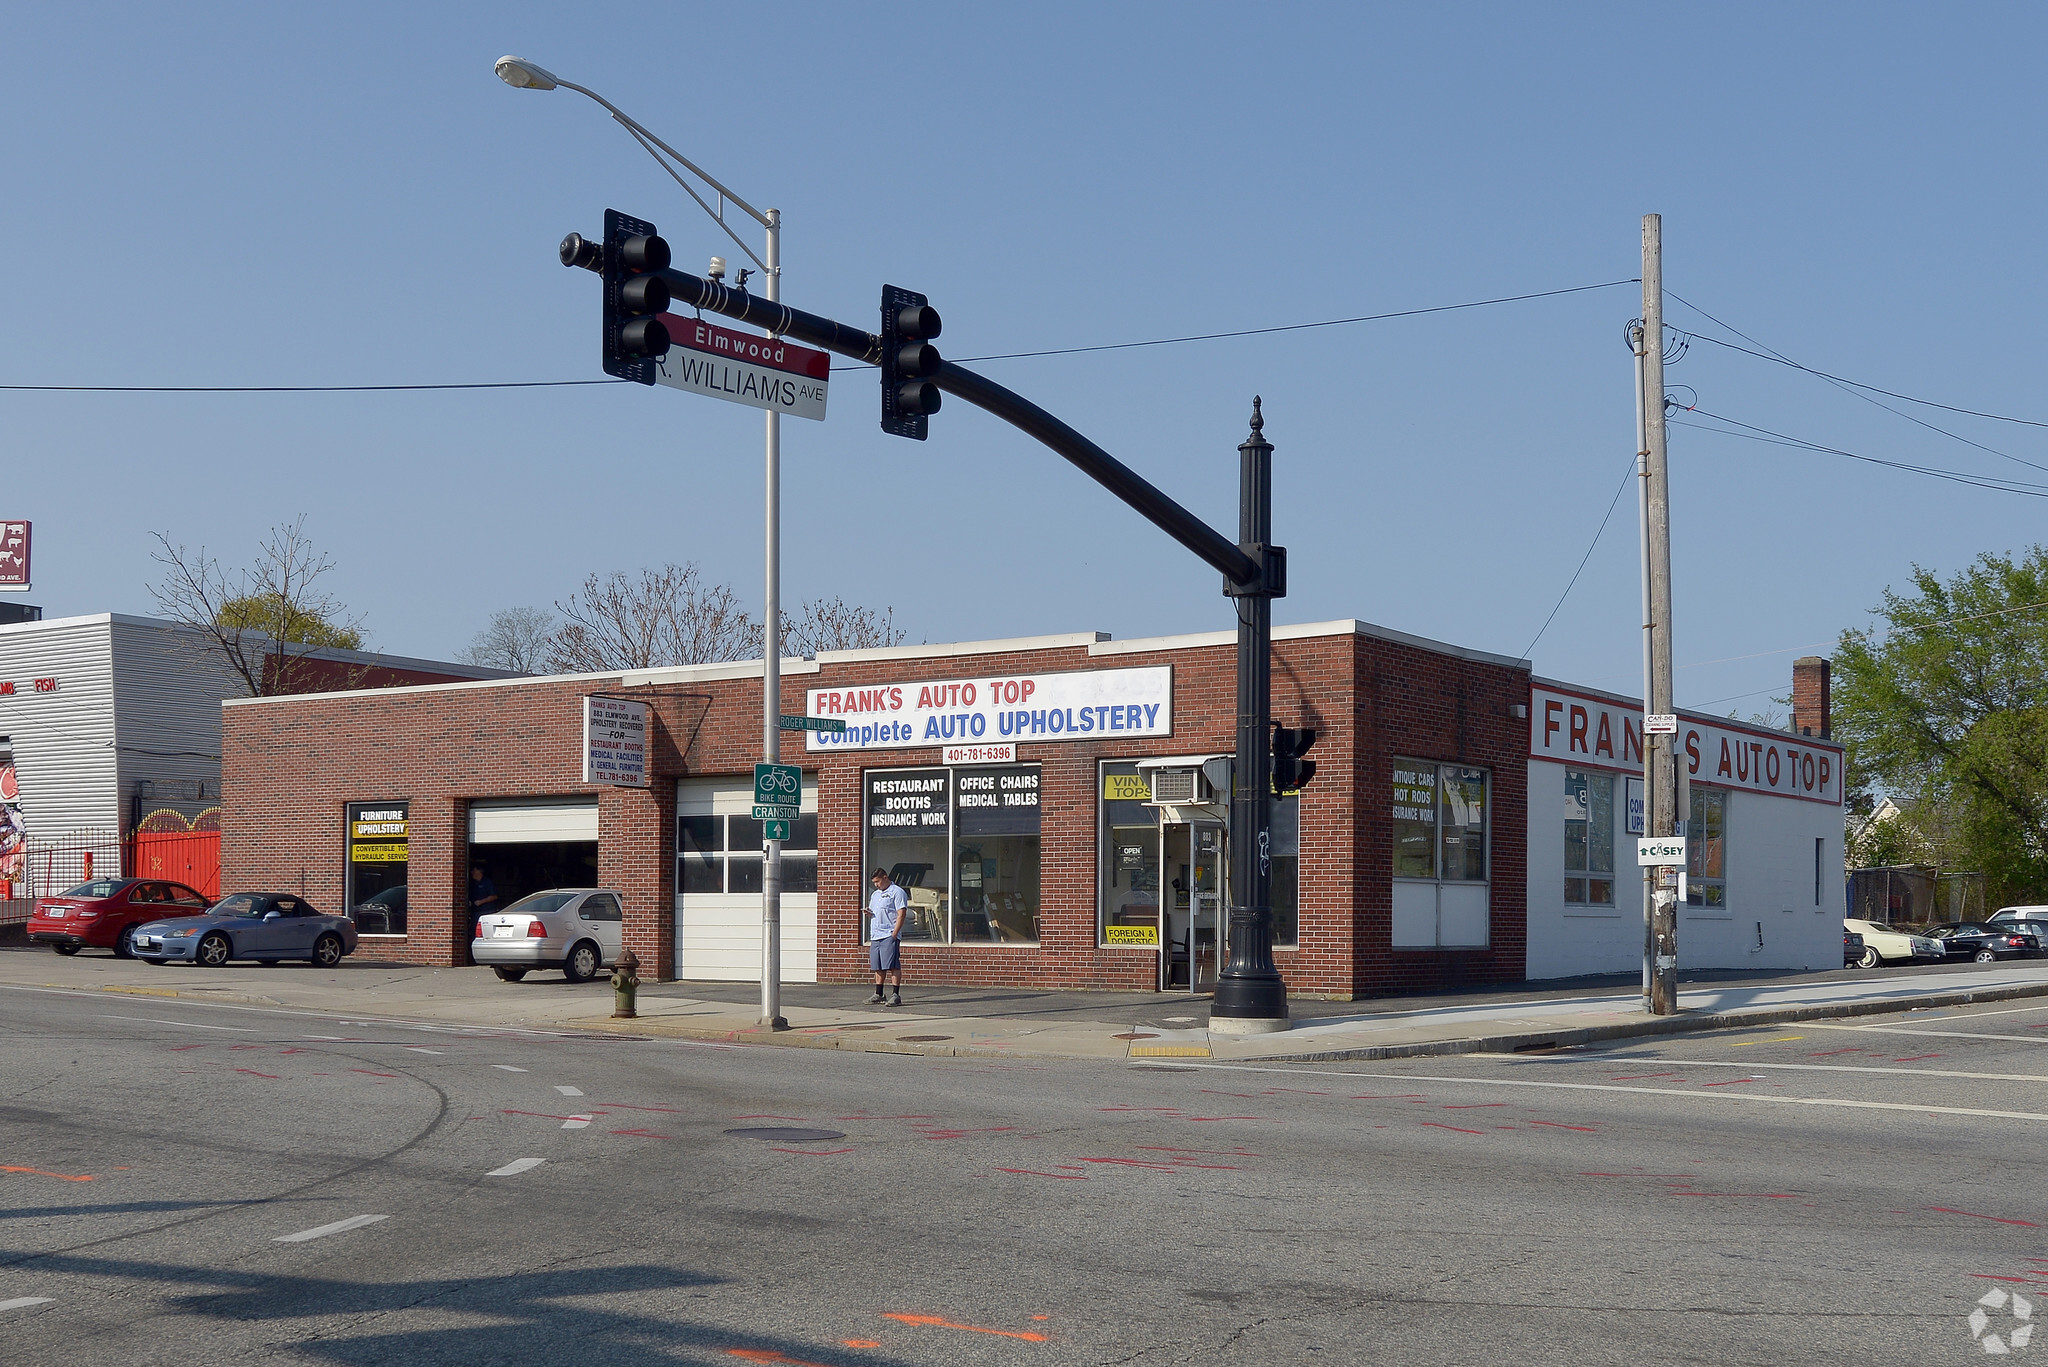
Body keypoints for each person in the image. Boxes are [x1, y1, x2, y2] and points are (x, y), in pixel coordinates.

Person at [866, 867, 908, 1007]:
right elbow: (874, 911)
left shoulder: (897, 892)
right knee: (878, 966)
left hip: (889, 933)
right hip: (876, 934)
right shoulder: (875, 895)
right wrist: (868, 913)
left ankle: (896, 994)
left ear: (885, 877)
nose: (876, 885)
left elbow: (901, 913)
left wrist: (895, 933)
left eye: (878, 881)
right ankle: (879, 993)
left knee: (892, 965)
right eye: (874, 883)